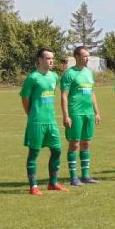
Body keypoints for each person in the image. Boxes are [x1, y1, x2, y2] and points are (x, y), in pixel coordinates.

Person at [20, 47, 65, 194]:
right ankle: (33, 186)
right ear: (40, 60)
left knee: (57, 150)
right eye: (48, 58)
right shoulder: (33, 78)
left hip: (51, 120)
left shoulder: (54, 77)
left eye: (52, 58)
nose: (51, 61)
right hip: (37, 121)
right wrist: (31, 114)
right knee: (34, 153)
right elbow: (25, 99)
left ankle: (53, 183)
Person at [60, 45, 101, 186]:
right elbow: (64, 96)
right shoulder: (69, 74)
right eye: (84, 56)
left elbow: (92, 93)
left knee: (86, 143)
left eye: (88, 55)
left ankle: (85, 176)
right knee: (74, 143)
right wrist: (66, 116)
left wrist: (97, 112)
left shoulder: (89, 73)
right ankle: (73, 177)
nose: (87, 58)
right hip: (75, 113)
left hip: (88, 113)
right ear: (76, 57)